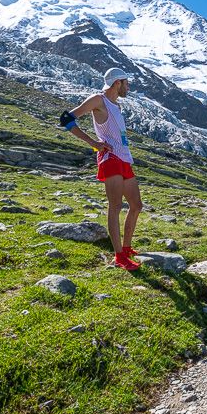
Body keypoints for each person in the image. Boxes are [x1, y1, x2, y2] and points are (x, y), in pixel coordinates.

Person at [59, 67, 143, 271]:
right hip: (110, 158)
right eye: (126, 82)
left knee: (136, 205)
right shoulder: (99, 100)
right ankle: (119, 256)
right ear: (117, 83)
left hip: (124, 158)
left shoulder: (116, 105)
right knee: (115, 206)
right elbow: (66, 119)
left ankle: (126, 247)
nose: (128, 86)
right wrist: (93, 142)